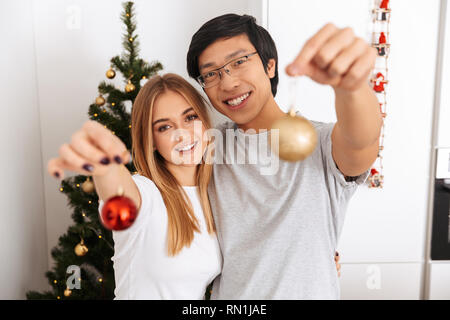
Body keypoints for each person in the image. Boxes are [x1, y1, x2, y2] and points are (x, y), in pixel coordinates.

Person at [187, 14, 382, 299]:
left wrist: (350, 87)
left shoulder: (320, 142)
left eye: (239, 62)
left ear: (270, 65)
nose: (227, 83)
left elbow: (362, 140)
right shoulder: (205, 148)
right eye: (211, 74)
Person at [47, 73, 222, 299]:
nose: (182, 134)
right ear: (151, 141)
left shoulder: (214, 195)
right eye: (165, 127)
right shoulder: (146, 194)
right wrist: (106, 164)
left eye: (190, 117)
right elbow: (118, 190)